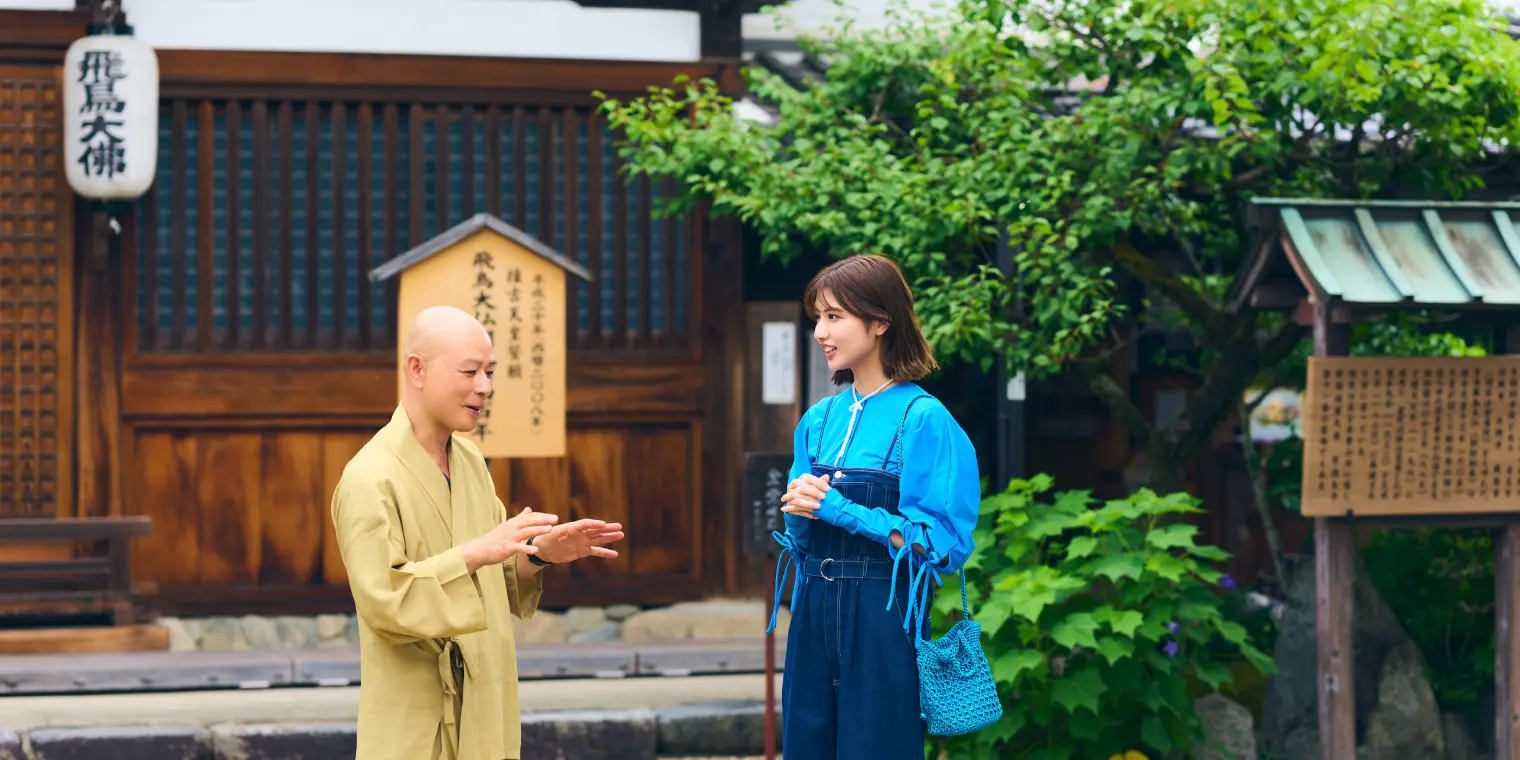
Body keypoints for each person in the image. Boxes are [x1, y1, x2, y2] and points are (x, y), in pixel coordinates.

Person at [331, 305, 625, 760]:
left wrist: (538, 554)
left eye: (489, 372)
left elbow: (495, 575)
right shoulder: (369, 478)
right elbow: (383, 601)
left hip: (486, 704)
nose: (484, 387)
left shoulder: (468, 461)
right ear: (417, 369)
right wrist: (472, 554)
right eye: (469, 371)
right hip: (417, 720)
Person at [768, 254, 982, 759]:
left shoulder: (925, 418)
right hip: (811, 606)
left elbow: (943, 547)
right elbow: (801, 541)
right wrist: (798, 515)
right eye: (818, 317)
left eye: (835, 316)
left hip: (884, 615)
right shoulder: (817, 420)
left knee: (877, 747)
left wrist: (844, 511)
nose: (821, 331)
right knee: (805, 744)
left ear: (881, 322)